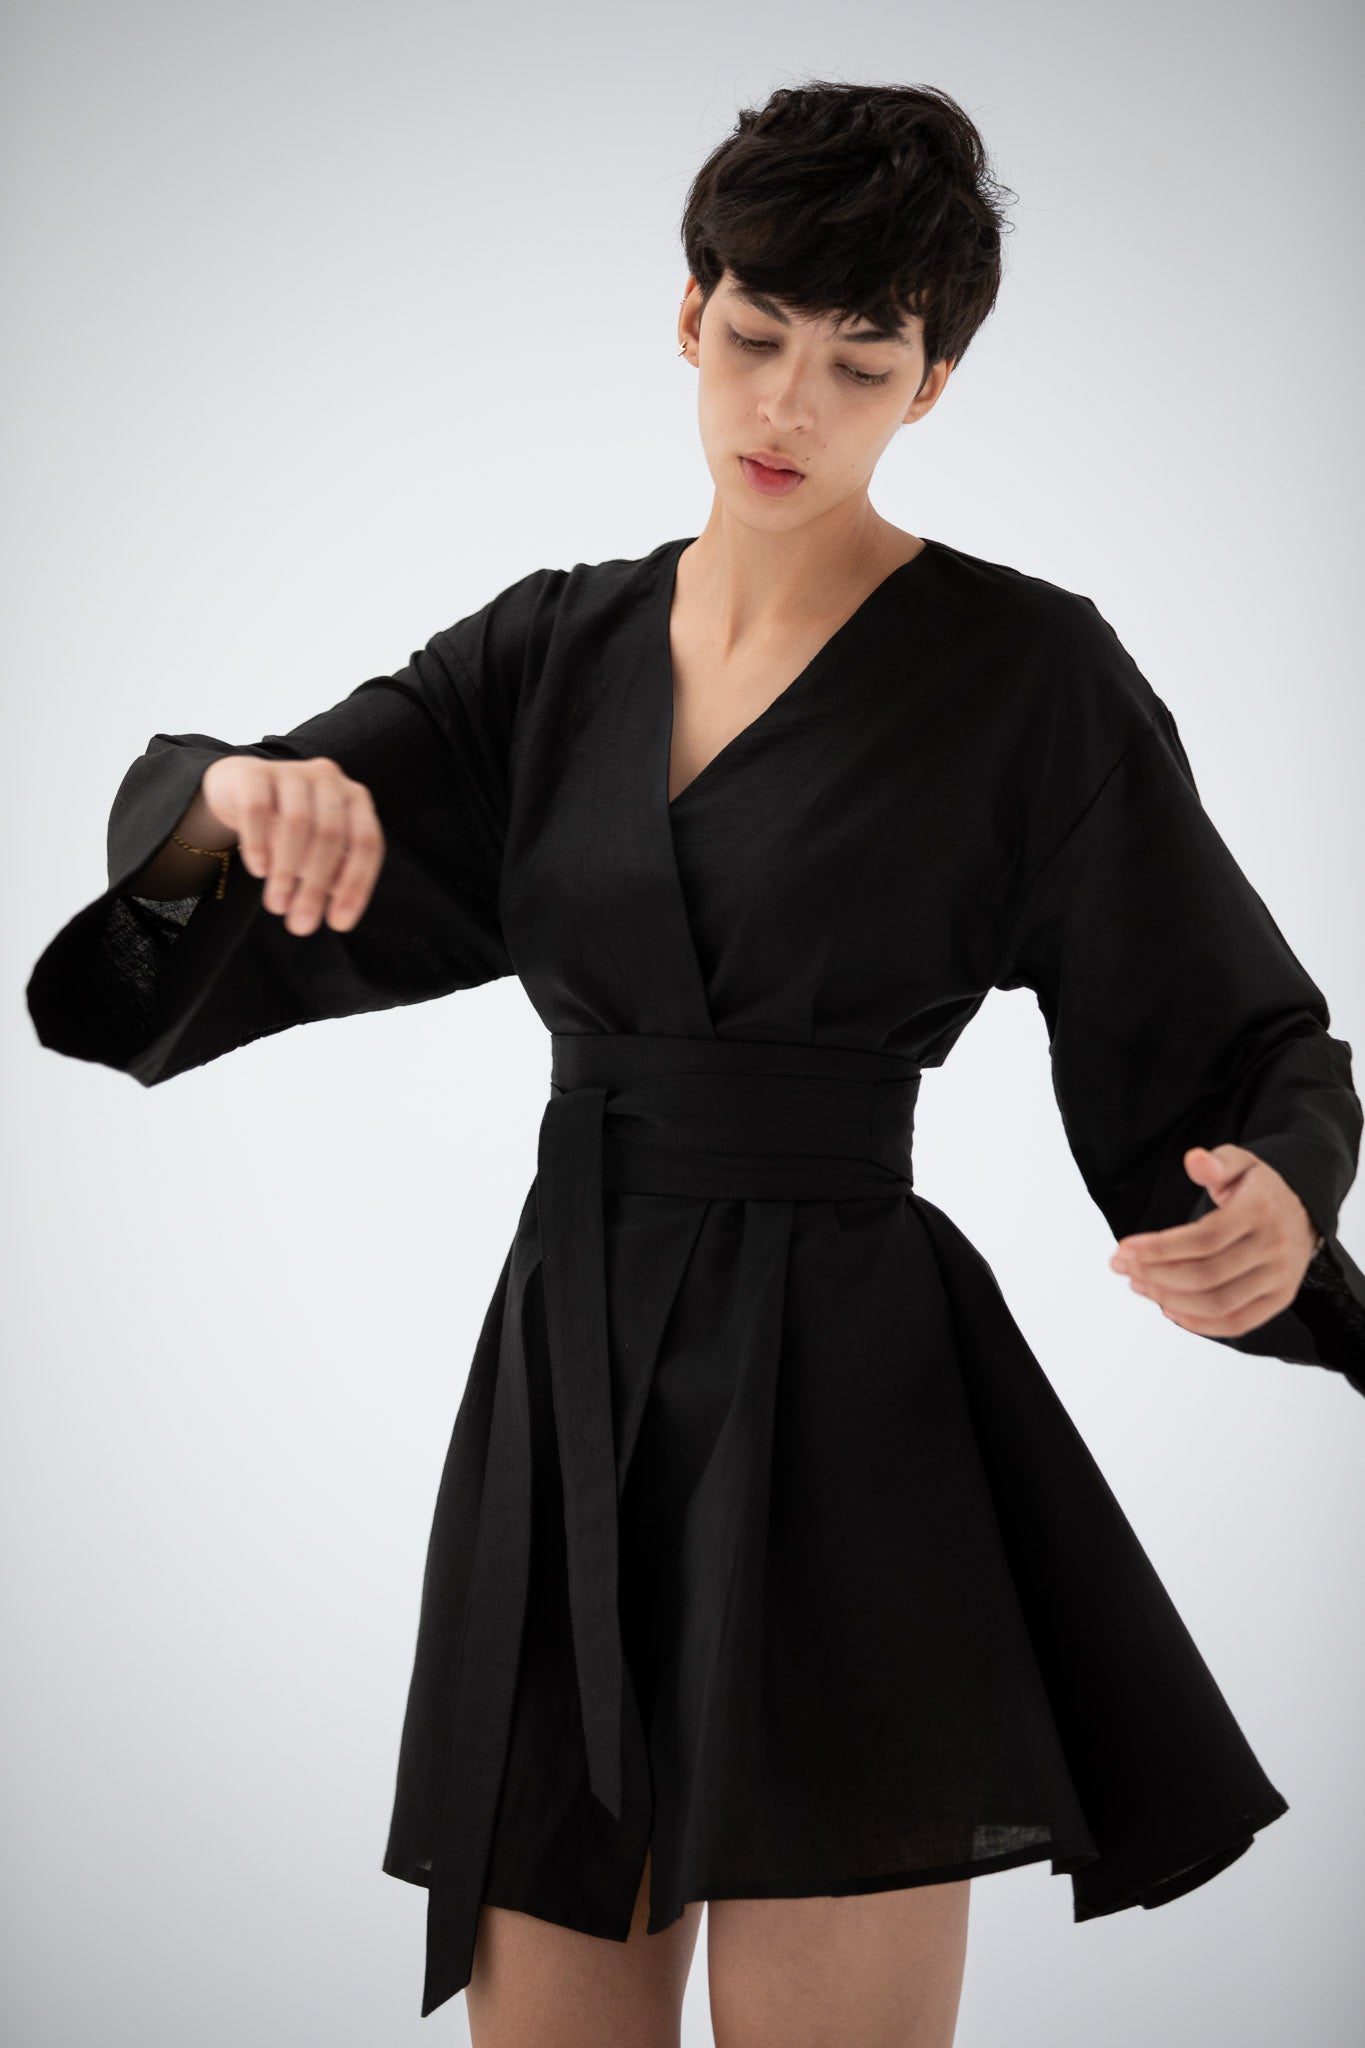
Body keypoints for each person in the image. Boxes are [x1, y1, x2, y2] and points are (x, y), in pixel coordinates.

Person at [25, 78, 1365, 2048]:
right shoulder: (545, 656)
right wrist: (230, 799)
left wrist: (1271, 1191)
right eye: (752, 340)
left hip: (854, 1409)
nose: (784, 410)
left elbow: (1241, 1033)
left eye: (856, 361)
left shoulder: (1026, 676)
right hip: (567, 1389)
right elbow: (251, 825)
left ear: (930, 382)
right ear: (686, 315)